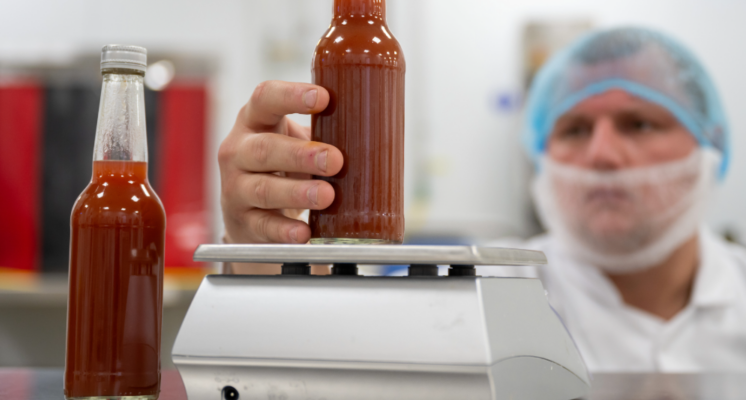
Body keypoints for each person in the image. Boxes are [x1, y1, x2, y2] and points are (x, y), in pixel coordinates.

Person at [217, 26, 746, 371]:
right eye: (575, 129)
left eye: (639, 122)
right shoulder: (482, 292)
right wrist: (269, 268)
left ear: (710, 144)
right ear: (541, 151)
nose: (602, 154)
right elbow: (326, 366)